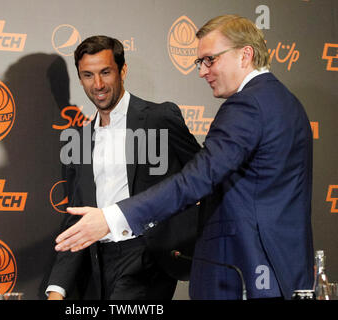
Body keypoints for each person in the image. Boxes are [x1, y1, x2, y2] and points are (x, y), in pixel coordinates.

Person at [55, 15, 314, 300]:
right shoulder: (285, 102)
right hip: (279, 267)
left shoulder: (247, 106)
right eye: (199, 62)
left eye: (210, 60)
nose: (202, 71)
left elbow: (196, 178)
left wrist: (114, 217)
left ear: (245, 54)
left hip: (245, 267)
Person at [46, 35, 201, 300]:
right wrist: (57, 289)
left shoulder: (158, 118)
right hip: (96, 263)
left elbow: (205, 174)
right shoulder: (79, 140)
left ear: (123, 70)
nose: (98, 85)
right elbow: (77, 218)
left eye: (105, 72)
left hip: (146, 258)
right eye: (88, 75)